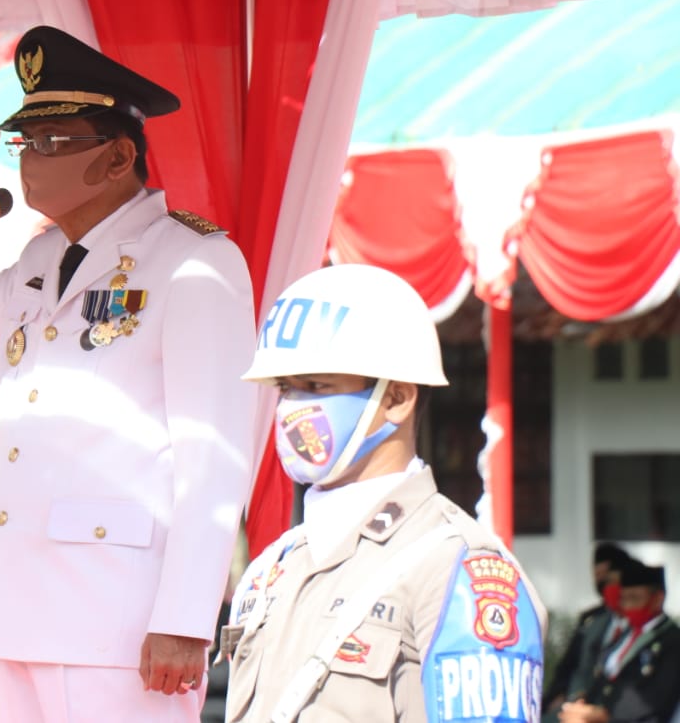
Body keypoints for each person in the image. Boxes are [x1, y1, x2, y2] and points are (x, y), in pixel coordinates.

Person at [0, 25, 258, 721]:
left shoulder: (192, 262)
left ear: (118, 155)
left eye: (51, 142)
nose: (29, 161)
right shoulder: (38, 262)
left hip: (120, 616)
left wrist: (186, 615)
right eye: (25, 142)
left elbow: (213, 453)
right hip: (22, 606)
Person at [223, 263, 547, 722]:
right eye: (284, 389)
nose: (292, 408)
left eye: (316, 386)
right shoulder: (272, 567)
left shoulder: (458, 569)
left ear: (396, 398)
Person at [559, 562, 680, 723]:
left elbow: (656, 696)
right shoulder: (625, 634)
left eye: (635, 598)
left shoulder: (672, 640)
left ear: (657, 598)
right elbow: (604, 674)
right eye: (624, 599)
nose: (628, 605)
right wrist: (583, 703)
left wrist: (602, 714)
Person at [543, 543, 634, 720]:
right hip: (571, 702)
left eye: (606, 579)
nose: (601, 585)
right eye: (597, 576)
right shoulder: (591, 619)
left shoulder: (636, 624)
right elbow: (567, 666)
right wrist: (555, 696)